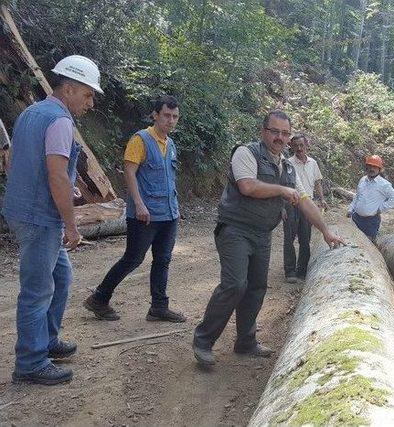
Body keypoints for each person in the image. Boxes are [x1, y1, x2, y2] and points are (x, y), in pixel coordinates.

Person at [192, 110, 343, 365]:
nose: (280, 138)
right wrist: (283, 191)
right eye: (275, 132)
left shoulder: (287, 167)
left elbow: (304, 201)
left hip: (262, 234)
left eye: (285, 133)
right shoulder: (246, 153)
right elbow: (248, 186)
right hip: (235, 229)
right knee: (235, 284)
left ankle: (246, 341)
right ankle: (203, 340)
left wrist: (325, 231)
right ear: (263, 132)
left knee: (256, 287)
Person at [2, 55, 103, 385]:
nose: (90, 103)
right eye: (88, 95)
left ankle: (46, 341)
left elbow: (19, 161)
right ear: (70, 88)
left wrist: (62, 180)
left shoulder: (32, 112)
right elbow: (56, 176)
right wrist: (71, 225)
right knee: (37, 290)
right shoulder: (60, 120)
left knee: (61, 277)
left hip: (24, 211)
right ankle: (30, 362)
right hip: (39, 219)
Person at [83, 95, 185, 322]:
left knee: (163, 259)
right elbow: (129, 173)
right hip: (144, 214)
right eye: (166, 115)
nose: (171, 120)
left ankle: (159, 307)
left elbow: (169, 179)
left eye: (175, 116)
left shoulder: (171, 144)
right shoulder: (140, 140)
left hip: (168, 213)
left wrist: (175, 208)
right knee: (133, 258)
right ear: (155, 115)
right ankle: (99, 298)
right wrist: (138, 204)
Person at [282, 133, 327, 283]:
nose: (299, 148)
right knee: (289, 238)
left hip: (308, 204)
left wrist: (321, 199)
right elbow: (281, 186)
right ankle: (290, 272)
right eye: (296, 146)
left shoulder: (313, 163)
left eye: (302, 145)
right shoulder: (287, 163)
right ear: (291, 147)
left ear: (307, 146)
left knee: (305, 238)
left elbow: (317, 183)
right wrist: (281, 207)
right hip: (290, 204)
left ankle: (302, 271)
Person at [347, 155, 394, 241]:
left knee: (368, 245)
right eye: (370, 166)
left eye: (375, 167)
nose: (372, 168)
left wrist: (380, 209)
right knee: (354, 241)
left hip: (370, 221)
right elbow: (357, 196)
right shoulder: (362, 180)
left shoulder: (384, 184)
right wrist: (350, 209)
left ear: (379, 169)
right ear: (366, 167)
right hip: (356, 218)